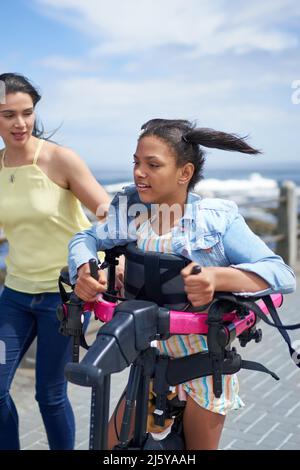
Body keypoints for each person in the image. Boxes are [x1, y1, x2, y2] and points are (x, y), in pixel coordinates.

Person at [68, 118, 296, 450]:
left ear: (184, 173)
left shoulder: (216, 219)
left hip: (203, 364)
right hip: (146, 362)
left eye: (152, 164)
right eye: (136, 162)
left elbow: (282, 275)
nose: (139, 173)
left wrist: (216, 278)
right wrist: (85, 271)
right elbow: (85, 237)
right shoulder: (131, 208)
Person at [0, 73, 110, 450]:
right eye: (7, 114)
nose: (19, 123)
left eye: (26, 113)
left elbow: (106, 213)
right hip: (14, 296)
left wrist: (110, 263)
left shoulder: (58, 159)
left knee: (49, 394)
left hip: (63, 299)